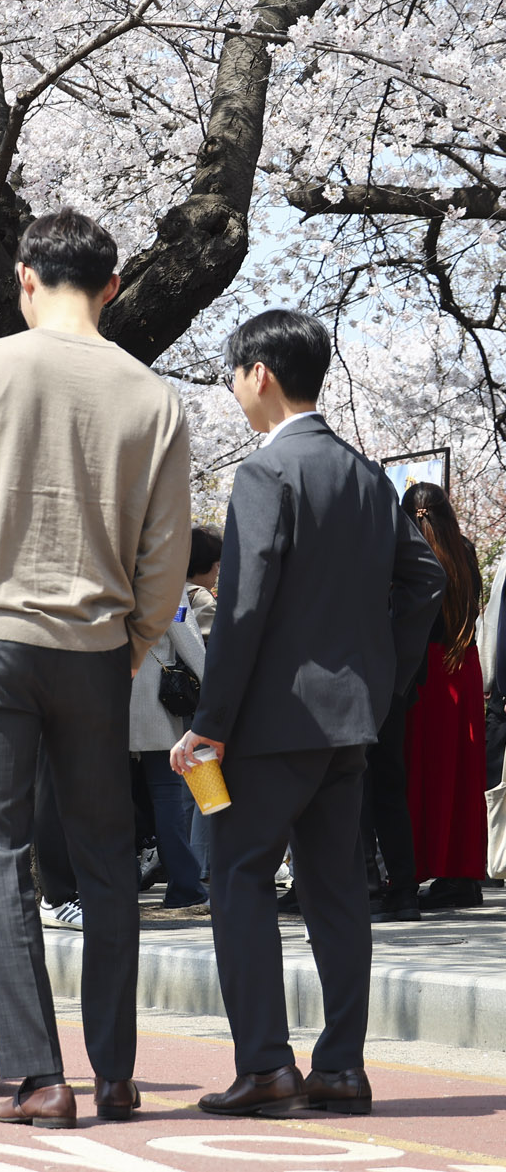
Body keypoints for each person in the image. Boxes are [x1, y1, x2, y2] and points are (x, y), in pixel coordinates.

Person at [0, 210, 192, 1129]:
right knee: (107, 859)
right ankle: (117, 1072)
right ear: (113, 286)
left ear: (25, 277)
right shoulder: (154, 396)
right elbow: (166, 556)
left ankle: (39, 1077)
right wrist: (132, 641)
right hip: (96, 646)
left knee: (1, 856)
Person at [171, 309, 443, 1117]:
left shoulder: (266, 474)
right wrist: (382, 676)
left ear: (259, 373)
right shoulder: (367, 476)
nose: (233, 388)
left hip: (269, 724)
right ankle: (342, 1066)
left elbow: (243, 608)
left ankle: (265, 1065)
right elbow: (425, 577)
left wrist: (210, 720)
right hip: (349, 724)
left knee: (238, 878)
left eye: (233, 373)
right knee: (337, 890)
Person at [399, 483, 486, 912]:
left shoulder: (408, 555)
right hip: (463, 664)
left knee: (422, 771)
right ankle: (463, 873)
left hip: (426, 669)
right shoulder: (465, 550)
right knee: (464, 774)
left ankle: (421, 864)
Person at [127, 585, 209, 911]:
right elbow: (188, 640)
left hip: (107, 701)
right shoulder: (164, 580)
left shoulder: (105, 570)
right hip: (153, 704)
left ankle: (119, 883)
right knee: (167, 797)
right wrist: (218, 694)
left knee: (115, 799)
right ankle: (185, 888)